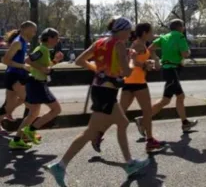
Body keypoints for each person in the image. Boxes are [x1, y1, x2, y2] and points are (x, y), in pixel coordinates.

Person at [45, 17, 149, 186]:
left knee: (122, 123)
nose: (130, 34)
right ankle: (60, 165)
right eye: (129, 31)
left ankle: (130, 163)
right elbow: (127, 72)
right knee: (90, 132)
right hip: (107, 91)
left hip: (100, 89)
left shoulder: (100, 42)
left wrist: (99, 70)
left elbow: (79, 60)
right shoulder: (119, 44)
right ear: (122, 30)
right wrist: (132, 57)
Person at [91, 22, 163, 153]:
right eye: (151, 32)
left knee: (120, 113)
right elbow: (134, 61)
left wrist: (149, 61)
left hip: (129, 81)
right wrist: (144, 65)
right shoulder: (139, 44)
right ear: (145, 33)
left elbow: (136, 60)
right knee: (147, 111)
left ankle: (98, 135)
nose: (152, 35)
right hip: (138, 81)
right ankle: (150, 140)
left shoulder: (139, 44)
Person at [9, 28, 64, 149]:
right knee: (56, 110)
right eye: (56, 37)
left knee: (33, 113)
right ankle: (31, 130)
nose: (58, 40)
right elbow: (28, 60)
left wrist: (55, 61)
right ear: (49, 38)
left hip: (35, 83)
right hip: (37, 84)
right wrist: (42, 69)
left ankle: (16, 140)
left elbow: (46, 67)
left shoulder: (44, 49)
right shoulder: (42, 49)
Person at [149, 19, 198, 132]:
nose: (184, 29)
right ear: (180, 27)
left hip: (167, 70)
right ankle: (143, 120)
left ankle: (185, 123)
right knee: (169, 100)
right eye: (183, 26)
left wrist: (156, 60)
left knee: (174, 98)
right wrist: (188, 52)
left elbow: (150, 49)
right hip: (172, 70)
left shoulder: (164, 37)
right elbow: (185, 54)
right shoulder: (180, 37)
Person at [0, 21, 37, 137]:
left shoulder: (24, 42)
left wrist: (28, 61)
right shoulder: (18, 43)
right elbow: (5, 60)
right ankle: (25, 133)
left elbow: (18, 58)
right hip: (14, 76)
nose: (34, 33)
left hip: (16, 75)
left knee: (10, 106)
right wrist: (22, 66)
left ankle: (7, 114)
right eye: (33, 30)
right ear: (24, 29)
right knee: (32, 105)